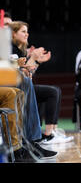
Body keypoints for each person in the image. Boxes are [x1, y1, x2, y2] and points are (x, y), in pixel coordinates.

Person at [9, 21, 58, 159]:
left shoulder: (19, 50)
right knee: (27, 84)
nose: (27, 34)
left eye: (27, 31)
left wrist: (35, 62)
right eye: (23, 31)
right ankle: (32, 140)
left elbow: (27, 73)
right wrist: (33, 60)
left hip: (15, 87)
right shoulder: (8, 48)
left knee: (52, 91)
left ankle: (37, 138)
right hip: (7, 86)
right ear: (13, 33)